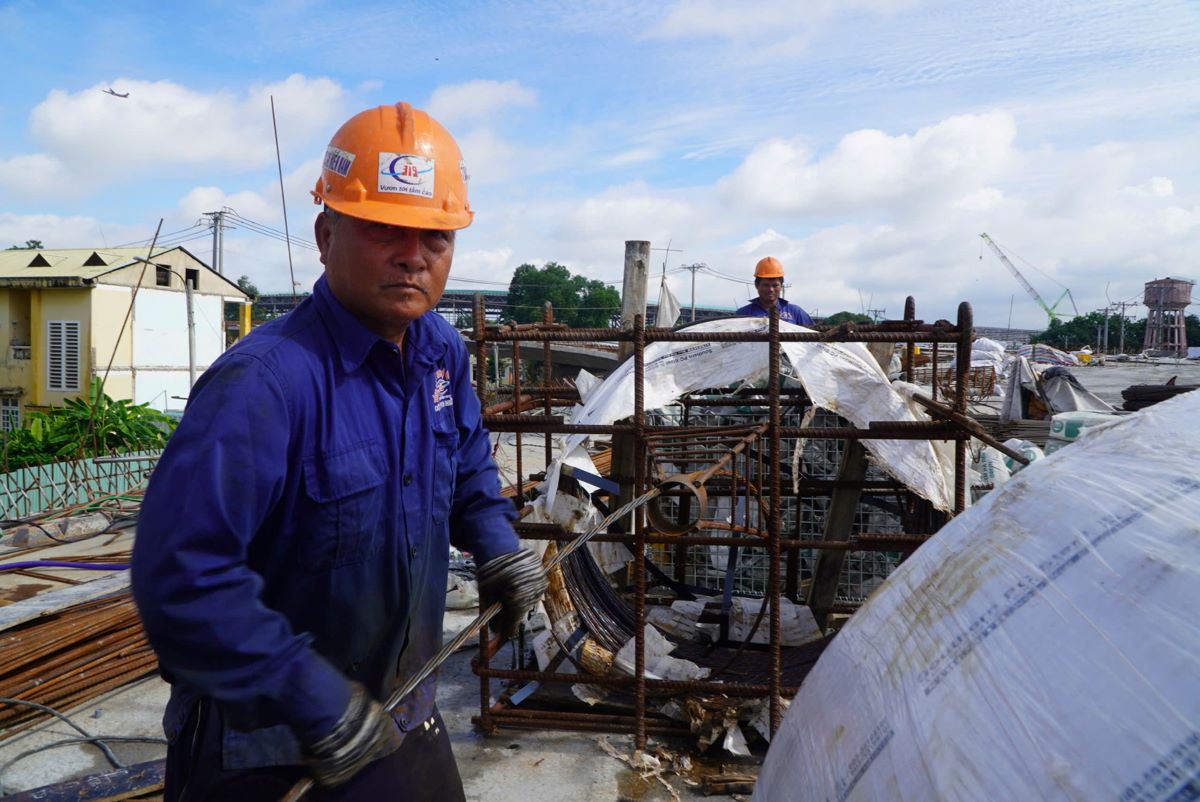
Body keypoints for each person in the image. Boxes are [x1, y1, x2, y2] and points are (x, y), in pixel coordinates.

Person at [131, 102, 547, 802]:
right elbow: (180, 576)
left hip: (400, 711)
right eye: (385, 228)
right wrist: (311, 696)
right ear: (326, 234)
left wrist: (495, 543)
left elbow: (468, 457)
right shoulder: (265, 385)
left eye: (435, 237)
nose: (413, 255)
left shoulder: (440, 353)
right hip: (269, 749)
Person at [733, 256, 815, 325]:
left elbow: (817, 337)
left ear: (781, 286)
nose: (771, 289)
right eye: (766, 285)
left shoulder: (795, 312)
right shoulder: (743, 314)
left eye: (775, 285)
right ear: (756, 285)